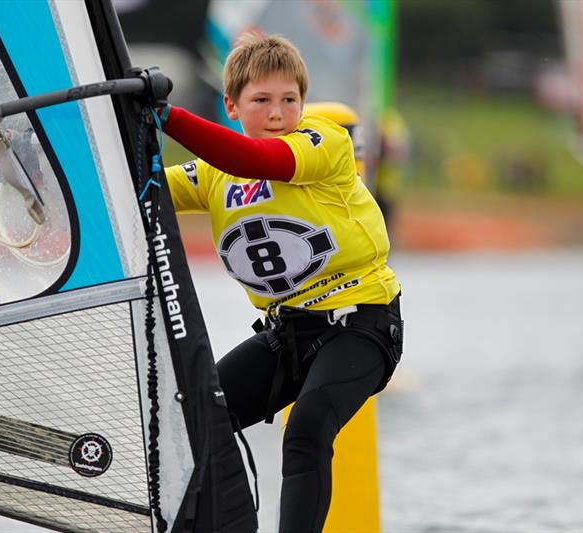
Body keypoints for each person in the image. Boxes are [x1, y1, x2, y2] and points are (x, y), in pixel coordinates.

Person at [159, 33, 403, 533]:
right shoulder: (213, 175)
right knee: (193, 423)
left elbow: (255, 161)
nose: (277, 113)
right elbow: (141, 188)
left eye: (289, 99)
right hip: (287, 335)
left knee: (308, 425)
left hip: (361, 326)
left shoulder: (325, 142)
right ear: (231, 105)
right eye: (262, 100)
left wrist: (166, 116)